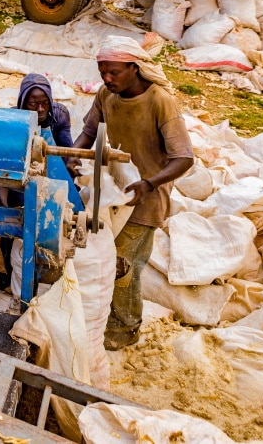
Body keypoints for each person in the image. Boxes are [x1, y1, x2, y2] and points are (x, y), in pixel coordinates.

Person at [73, 36, 193, 350]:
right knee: (99, 257)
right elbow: (88, 133)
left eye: (114, 72)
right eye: (102, 72)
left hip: (146, 199)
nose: (107, 79)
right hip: (112, 194)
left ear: (133, 67)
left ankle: (125, 328)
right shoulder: (105, 95)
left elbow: (184, 157)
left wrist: (150, 183)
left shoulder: (159, 101)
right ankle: (102, 316)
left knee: (124, 263)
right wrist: (69, 157)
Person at [0, 73, 74, 291]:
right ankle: (5, 274)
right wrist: (5, 207)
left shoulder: (59, 116)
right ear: (22, 102)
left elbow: (68, 155)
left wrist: (69, 187)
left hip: (50, 185)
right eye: (33, 104)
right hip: (17, 188)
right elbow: (1, 171)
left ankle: (43, 278)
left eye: (44, 103)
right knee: (9, 234)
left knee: (47, 237)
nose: (40, 109)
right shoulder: (12, 122)